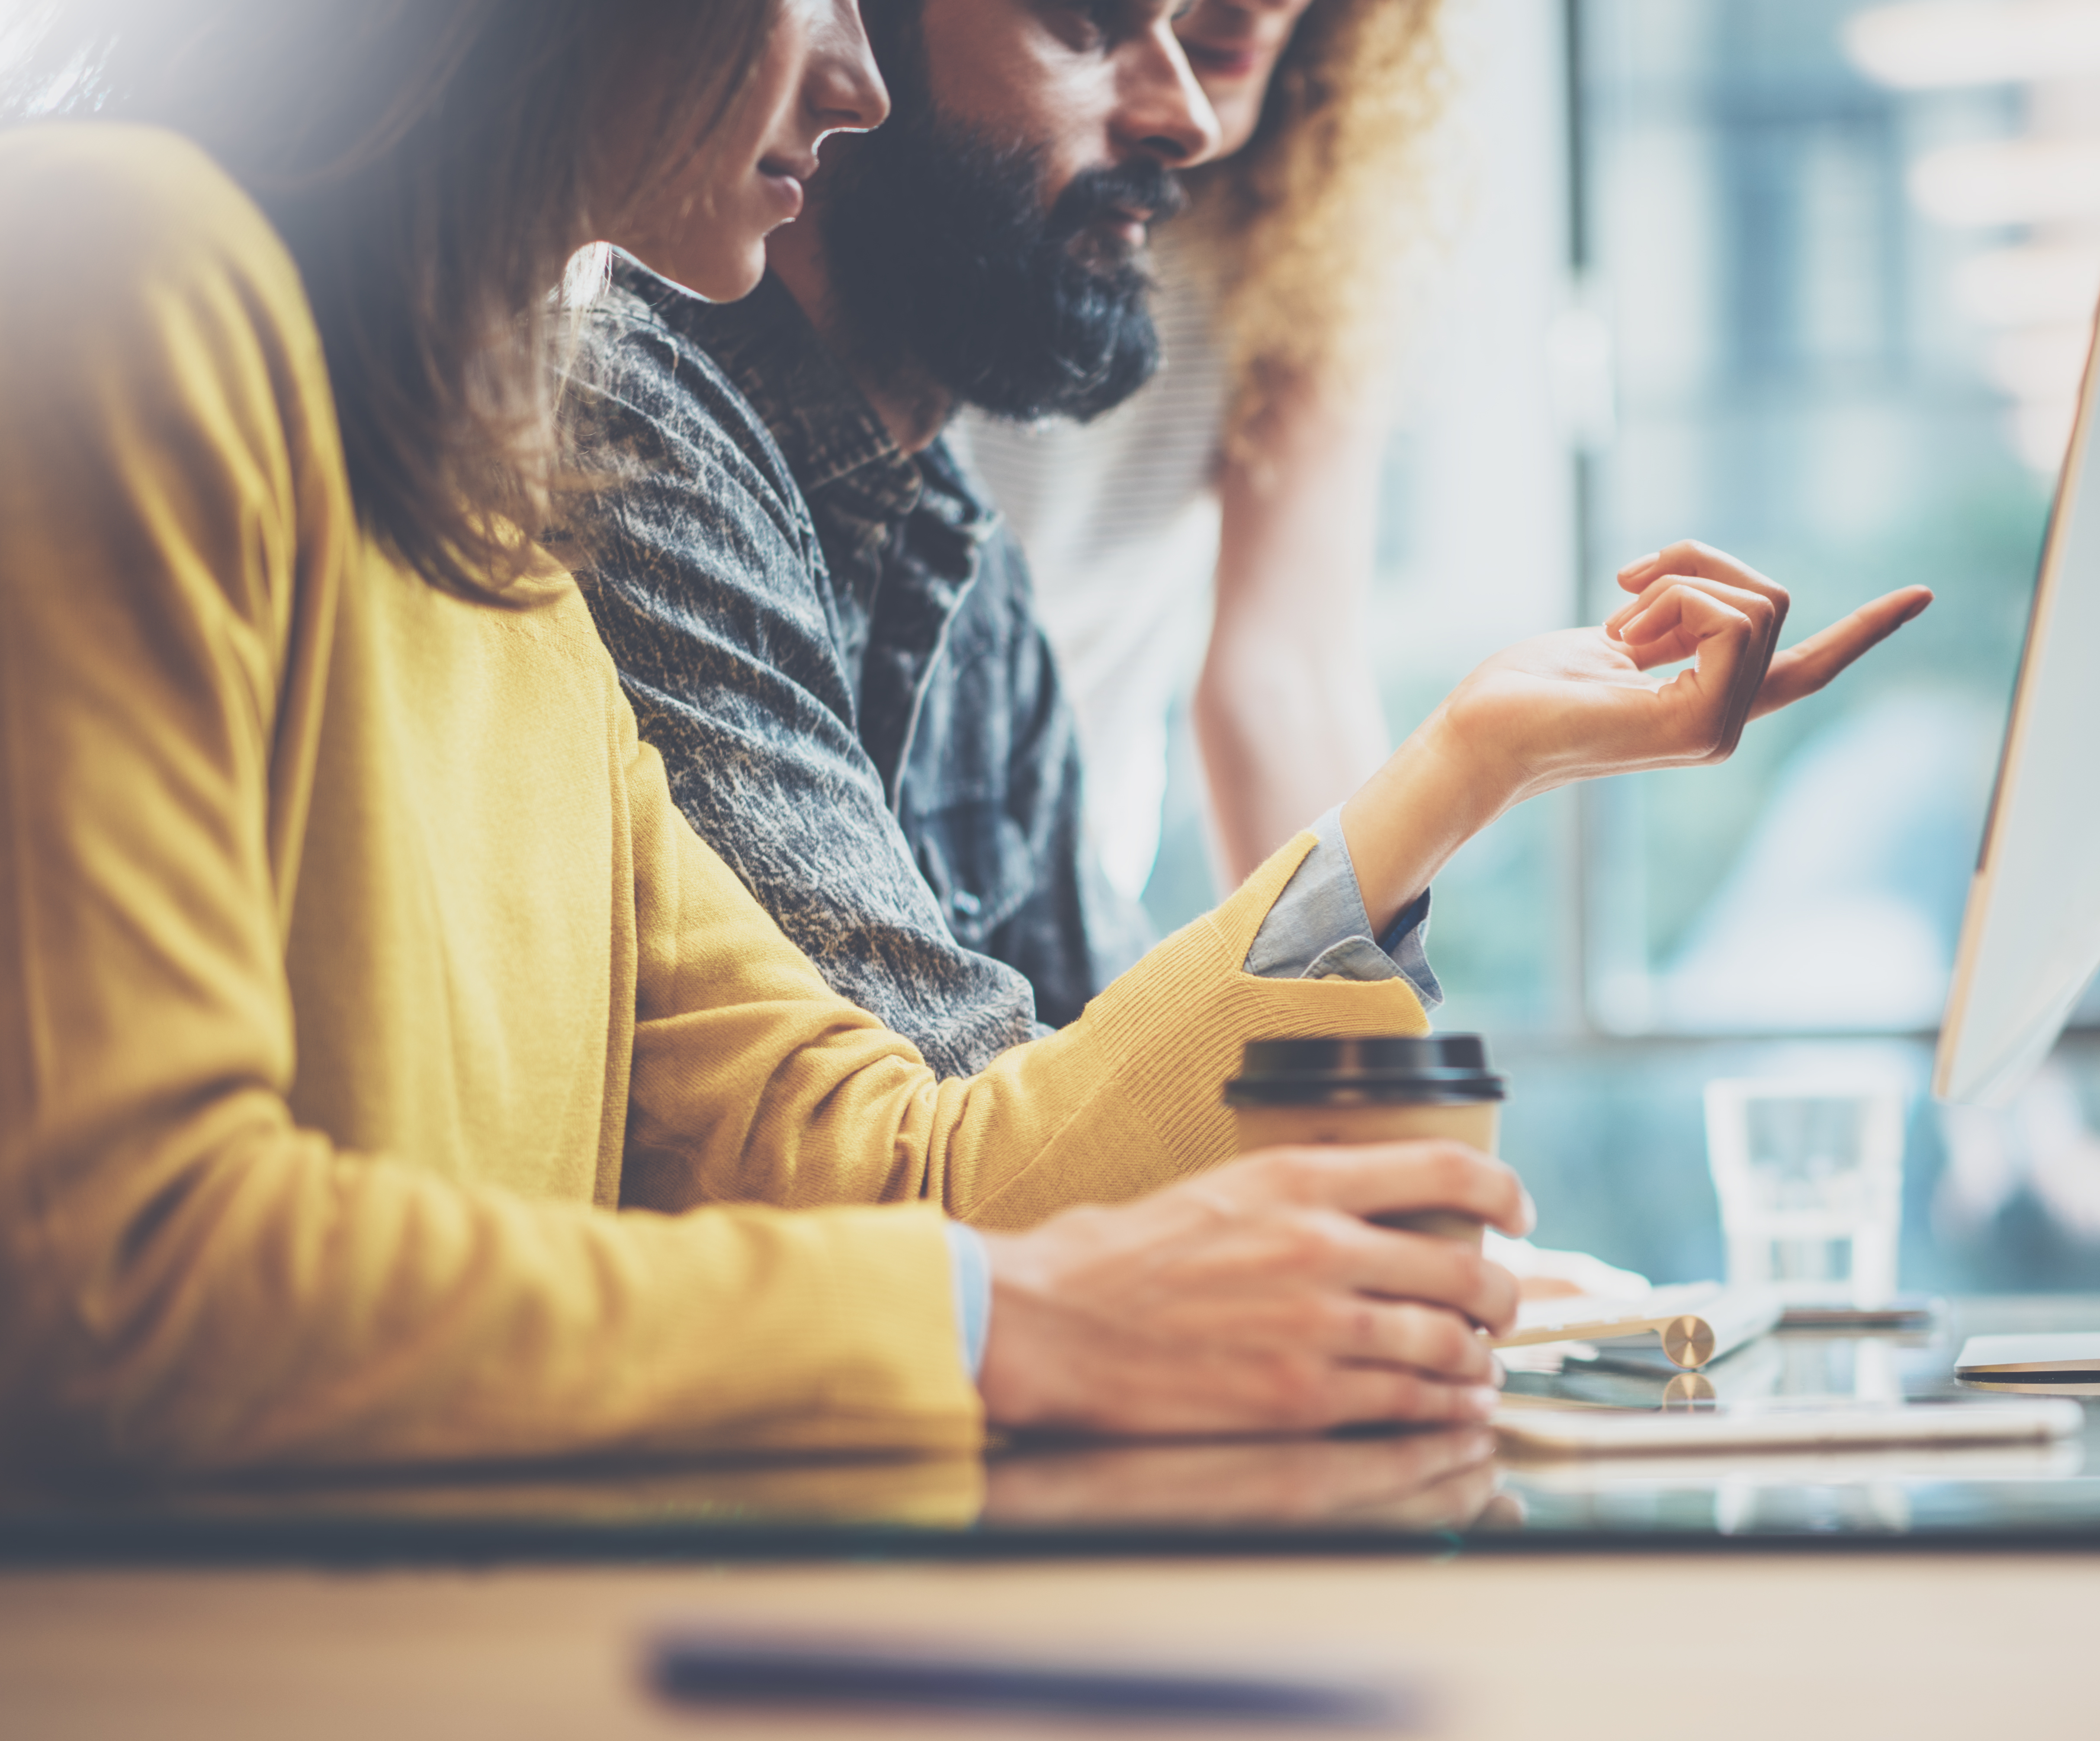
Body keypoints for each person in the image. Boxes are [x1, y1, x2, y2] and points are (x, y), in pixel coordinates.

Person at [0, 0, 1928, 1472]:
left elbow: (893, 1159)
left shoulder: (499, 515)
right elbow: (133, 1271)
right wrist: (987, 1322)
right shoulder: (119, 270)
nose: (855, 79)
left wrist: (1465, 763)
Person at [964, 0, 1444, 927]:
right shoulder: (924, 178)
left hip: (1069, 899)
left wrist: (1350, 1059)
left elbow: (1285, 674)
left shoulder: (1315, 214)